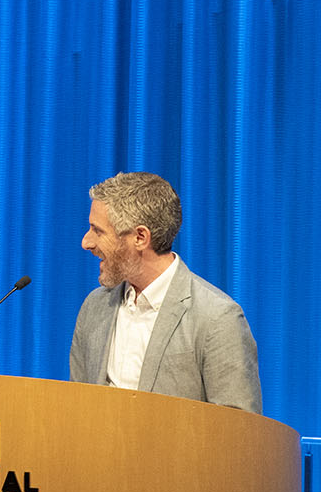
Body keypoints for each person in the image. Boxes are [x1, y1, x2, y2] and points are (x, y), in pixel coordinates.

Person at [70, 171, 262, 413]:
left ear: (140, 237)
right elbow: (78, 407)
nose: (86, 242)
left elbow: (239, 431)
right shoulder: (95, 307)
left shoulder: (217, 318)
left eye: (98, 231)